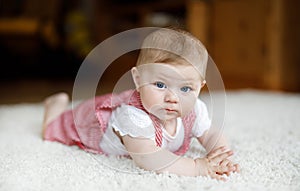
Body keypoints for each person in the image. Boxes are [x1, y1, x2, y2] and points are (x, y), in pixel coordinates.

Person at [43, 27, 240, 180]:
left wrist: (220, 155)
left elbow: (211, 133)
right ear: (138, 79)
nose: (173, 98)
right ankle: (55, 106)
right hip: (94, 125)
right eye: (160, 84)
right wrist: (197, 167)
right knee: (54, 130)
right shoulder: (133, 118)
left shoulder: (195, 109)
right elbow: (149, 158)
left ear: (200, 87)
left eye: (186, 89)